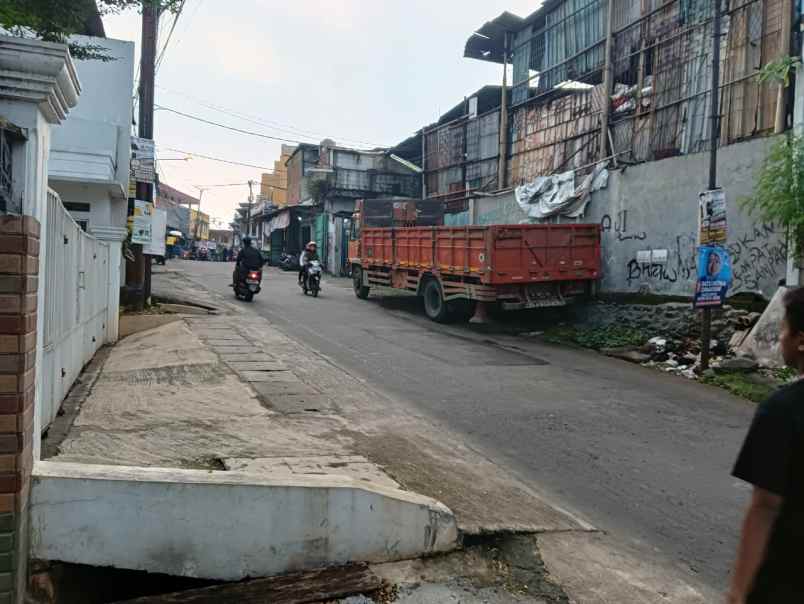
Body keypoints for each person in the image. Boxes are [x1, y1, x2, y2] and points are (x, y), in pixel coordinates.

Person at [728, 287, 804, 603]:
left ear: (801, 340)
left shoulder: (784, 409)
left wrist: (737, 592)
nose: (780, 337)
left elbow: (764, 507)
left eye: (784, 328)